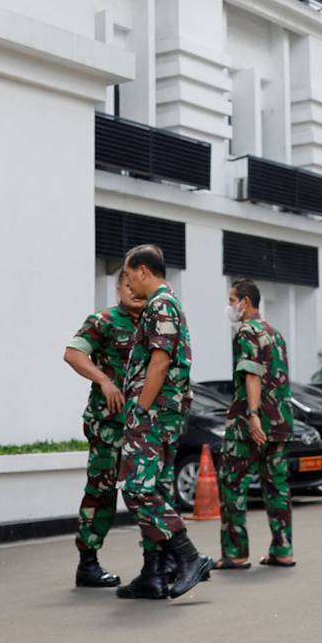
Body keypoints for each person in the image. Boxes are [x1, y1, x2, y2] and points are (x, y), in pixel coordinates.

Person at [112, 244, 214, 600]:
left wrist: (140, 409)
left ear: (142, 271)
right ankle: (154, 572)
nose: (127, 284)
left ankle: (188, 557)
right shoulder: (167, 304)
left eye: (127, 275)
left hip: (153, 414)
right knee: (156, 489)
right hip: (164, 414)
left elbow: (159, 362)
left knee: (138, 488)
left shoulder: (160, 304)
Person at [61, 271, 147, 588]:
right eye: (126, 286)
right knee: (101, 491)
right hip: (108, 423)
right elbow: (73, 353)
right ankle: (88, 562)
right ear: (118, 288)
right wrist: (104, 380)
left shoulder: (154, 322)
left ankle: (156, 562)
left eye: (137, 285)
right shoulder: (104, 321)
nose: (133, 292)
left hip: (143, 425)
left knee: (149, 490)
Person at [215, 279, 295, 570]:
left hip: (250, 423)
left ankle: (236, 553)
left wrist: (252, 414)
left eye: (232, 299)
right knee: (277, 486)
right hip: (281, 421)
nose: (230, 306)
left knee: (232, 483)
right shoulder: (275, 333)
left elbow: (252, 374)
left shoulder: (246, 332)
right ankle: (282, 549)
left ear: (245, 302)